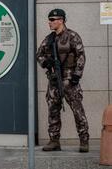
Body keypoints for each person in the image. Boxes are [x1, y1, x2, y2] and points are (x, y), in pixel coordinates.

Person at [36, 8, 89, 152]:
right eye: (49, 20)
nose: (50, 22)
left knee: (77, 111)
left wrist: (77, 75)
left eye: (52, 20)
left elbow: (81, 56)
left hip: (70, 80)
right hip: (54, 80)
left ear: (61, 20)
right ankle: (54, 141)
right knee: (53, 110)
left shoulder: (72, 36)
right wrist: (46, 63)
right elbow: (39, 54)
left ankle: (84, 140)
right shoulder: (49, 39)